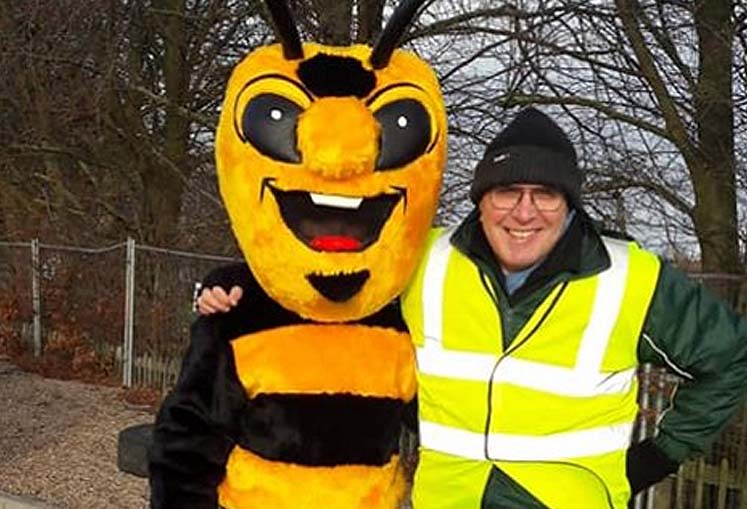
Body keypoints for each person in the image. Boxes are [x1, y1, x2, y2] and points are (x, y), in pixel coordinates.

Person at [197, 107, 747, 509]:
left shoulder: (632, 277)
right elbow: (326, 290)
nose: (523, 212)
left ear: (569, 204)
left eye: (545, 194)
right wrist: (231, 289)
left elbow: (731, 359)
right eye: (506, 191)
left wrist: (660, 455)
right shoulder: (424, 259)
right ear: (481, 199)